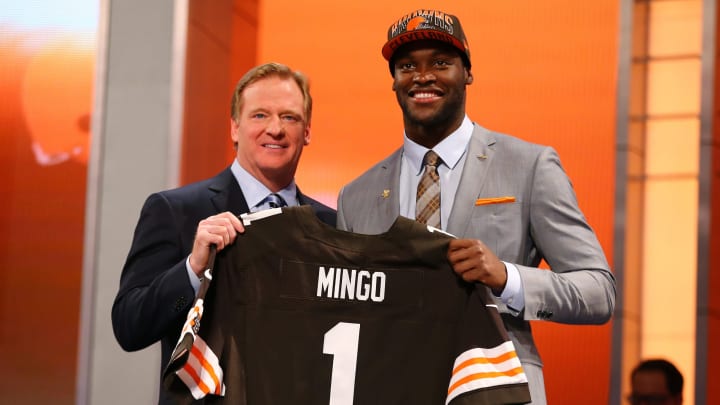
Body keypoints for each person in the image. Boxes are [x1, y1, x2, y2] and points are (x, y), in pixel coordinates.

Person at [336, 9, 616, 404]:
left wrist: (506, 277)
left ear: (467, 72)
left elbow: (598, 293)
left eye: (440, 62)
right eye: (406, 66)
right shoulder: (356, 195)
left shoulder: (530, 166)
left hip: (497, 389)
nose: (422, 76)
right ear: (395, 82)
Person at [111, 62, 336, 405]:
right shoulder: (174, 211)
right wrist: (192, 270)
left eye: (290, 117)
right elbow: (130, 326)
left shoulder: (333, 226)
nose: (275, 129)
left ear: (307, 131)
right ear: (234, 128)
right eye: (260, 115)